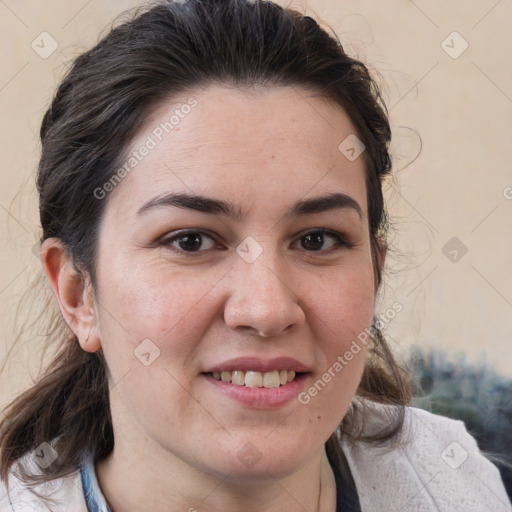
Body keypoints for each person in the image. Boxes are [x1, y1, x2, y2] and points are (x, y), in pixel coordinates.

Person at [0, 0, 510, 511]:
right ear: (78, 294)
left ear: (375, 271)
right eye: (191, 241)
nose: (266, 309)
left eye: (317, 240)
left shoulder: (475, 489)